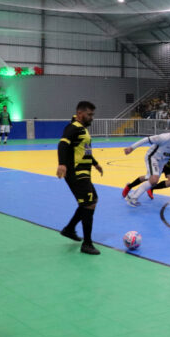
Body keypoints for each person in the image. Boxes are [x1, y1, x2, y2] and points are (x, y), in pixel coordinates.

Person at [56, 101, 103, 255]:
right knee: (89, 203)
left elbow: (86, 150)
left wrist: (95, 164)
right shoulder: (73, 128)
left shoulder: (83, 130)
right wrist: (62, 164)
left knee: (92, 201)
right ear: (80, 113)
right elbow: (62, 145)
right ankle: (87, 244)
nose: (92, 118)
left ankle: (69, 229)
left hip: (85, 173)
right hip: (77, 174)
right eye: (89, 114)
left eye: (92, 115)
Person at [123, 122, 170, 206]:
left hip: (162, 162)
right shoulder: (164, 137)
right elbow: (146, 139)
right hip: (152, 157)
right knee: (154, 179)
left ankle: (131, 196)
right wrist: (132, 148)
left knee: (152, 181)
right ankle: (133, 198)